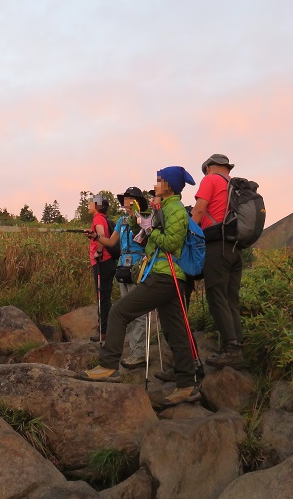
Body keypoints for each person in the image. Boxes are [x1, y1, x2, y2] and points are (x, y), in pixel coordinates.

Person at [84, 167, 201, 406]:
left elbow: (171, 243)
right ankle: (187, 385)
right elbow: (148, 238)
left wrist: (149, 229)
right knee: (174, 331)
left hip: (165, 275)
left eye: (160, 181)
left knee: (119, 311)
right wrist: (140, 223)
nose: (156, 184)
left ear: (169, 185)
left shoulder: (176, 210)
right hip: (165, 275)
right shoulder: (163, 208)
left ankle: (108, 366)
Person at [190, 154, 245, 369]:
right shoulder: (235, 186)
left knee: (217, 297)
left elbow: (199, 210)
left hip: (217, 246)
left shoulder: (210, 179)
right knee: (231, 299)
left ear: (210, 167)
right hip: (235, 247)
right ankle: (236, 347)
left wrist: (187, 235)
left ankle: (230, 349)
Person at [87, 187, 150, 369]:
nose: (126, 202)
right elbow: (111, 242)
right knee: (126, 309)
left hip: (139, 268)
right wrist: (96, 236)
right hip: (123, 268)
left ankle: (139, 354)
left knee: (138, 311)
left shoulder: (144, 220)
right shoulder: (122, 221)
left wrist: (138, 223)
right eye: (125, 199)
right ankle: (134, 351)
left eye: (129, 199)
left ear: (137, 201)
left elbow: (148, 242)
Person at [87, 194, 115, 342]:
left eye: (91, 203)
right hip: (107, 262)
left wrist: (98, 252)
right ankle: (105, 328)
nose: (88, 205)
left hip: (102, 262)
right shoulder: (103, 218)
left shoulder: (98, 218)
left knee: (102, 297)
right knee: (104, 295)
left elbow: (102, 235)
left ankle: (103, 331)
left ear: (97, 206)